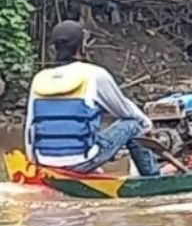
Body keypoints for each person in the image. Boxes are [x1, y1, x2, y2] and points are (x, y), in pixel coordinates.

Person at [24, 20, 161, 176]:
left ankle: (84, 167)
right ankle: (153, 178)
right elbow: (125, 111)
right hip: (80, 162)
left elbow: (30, 128)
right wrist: (147, 126)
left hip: (44, 162)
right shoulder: (94, 74)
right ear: (81, 46)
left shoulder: (39, 78)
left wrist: (34, 163)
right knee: (135, 124)